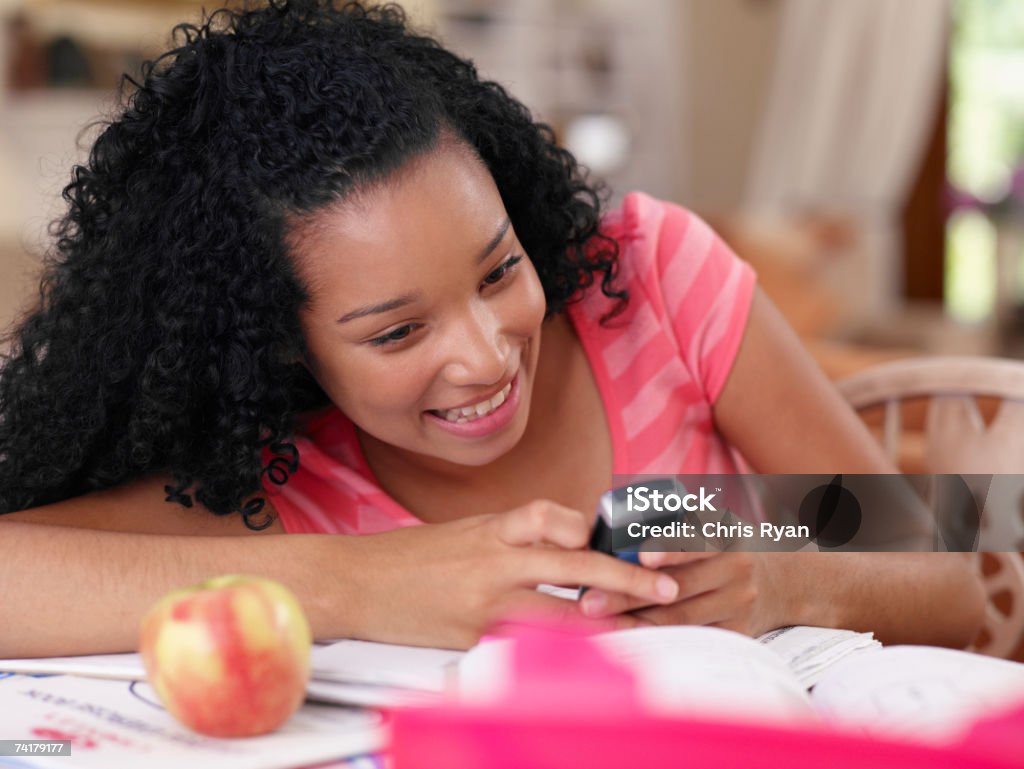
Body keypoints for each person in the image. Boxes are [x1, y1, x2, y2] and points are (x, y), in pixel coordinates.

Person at [0, 0, 984, 658]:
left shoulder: (647, 287)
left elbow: (951, 576)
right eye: (394, 333)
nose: (485, 353)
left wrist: (782, 584)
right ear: (272, 344)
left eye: (498, 269)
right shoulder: (291, 479)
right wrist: (357, 583)